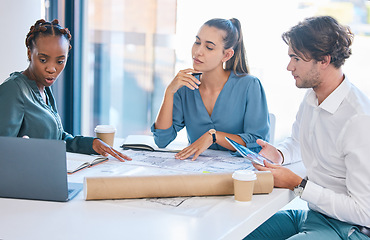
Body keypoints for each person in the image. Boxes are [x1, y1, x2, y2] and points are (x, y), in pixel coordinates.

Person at [245, 16, 370, 239]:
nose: (289, 66)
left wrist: (298, 185)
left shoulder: (358, 120)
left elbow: (364, 212)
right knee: (240, 233)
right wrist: (280, 154)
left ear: (324, 60)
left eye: (296, 58)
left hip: (350, 228)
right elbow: (298, 141)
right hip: (315, 215)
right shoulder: (313, 97)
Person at [0, 19, 131, 161]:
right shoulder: (13, 89)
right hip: (26, 180)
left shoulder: (44, 89)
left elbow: (57, 138)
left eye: (60, 61)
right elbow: (4, 150)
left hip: (49, 173)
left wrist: (91, 144)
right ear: (29, 53)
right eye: (43, 60)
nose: (51, 69)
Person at [151, 18, 270, 161]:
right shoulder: (185, 87)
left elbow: (258, 143)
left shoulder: (249, 85)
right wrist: (169, 92)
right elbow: (162, 141)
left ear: (226, 55)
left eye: (209, 47)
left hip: (237, 174)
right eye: (197, 42)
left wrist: (214, 136)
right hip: (196, 172)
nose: (198, 51)